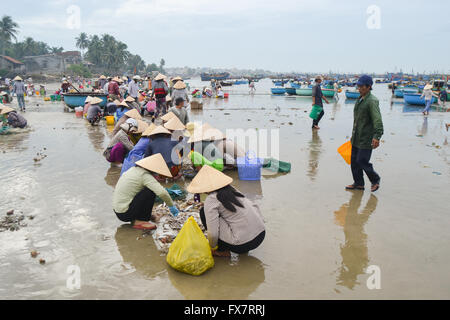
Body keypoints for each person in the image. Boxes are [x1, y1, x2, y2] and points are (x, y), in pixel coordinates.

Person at [187, 165, 265, 256]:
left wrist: (213, 247)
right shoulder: (232, 189)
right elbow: (254, 206)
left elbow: (213, 234)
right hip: (261, 235)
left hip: (242, 245)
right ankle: (243, 247)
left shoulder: (211, 199)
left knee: (203, 212)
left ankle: (222, 251)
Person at [113, 153, 179, 230]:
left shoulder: (132, 170)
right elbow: (162, 192)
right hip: (125, 213)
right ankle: (140, 221)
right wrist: (171, 206)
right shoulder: (144, 175)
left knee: (143, 190)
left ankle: (139, 217)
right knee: (150, 191)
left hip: (118, 210)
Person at [345, 75, 384, 193]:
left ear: (369, 87)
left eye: (362, 86)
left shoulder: (372, 101)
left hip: (366, 138)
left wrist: (377, 136)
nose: (359, 88)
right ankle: (359, 183)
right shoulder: (360, 99)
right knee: (354, 161)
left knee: (362, 161)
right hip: (357, 137)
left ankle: (375, 179)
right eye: (358, 86)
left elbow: (377, 120)